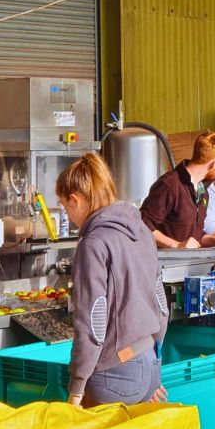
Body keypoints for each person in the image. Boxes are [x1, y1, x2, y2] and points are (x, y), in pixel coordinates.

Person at [57, 153, 169, 407]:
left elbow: (92, 321)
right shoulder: (141, 232)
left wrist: (76, 389)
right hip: (148, 361)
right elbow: (161, 305)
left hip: (114, 375)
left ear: (75, 200)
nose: (68, 215)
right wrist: (154, 368)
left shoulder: (94, 243)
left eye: (64, 206)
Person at [140, 131, 215, 249]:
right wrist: (176, 244)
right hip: (164, 263)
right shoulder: (168, 185)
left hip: (190, 263)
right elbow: (142, 225)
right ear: (213, 164)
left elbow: (196, 237)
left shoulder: (202, 190)